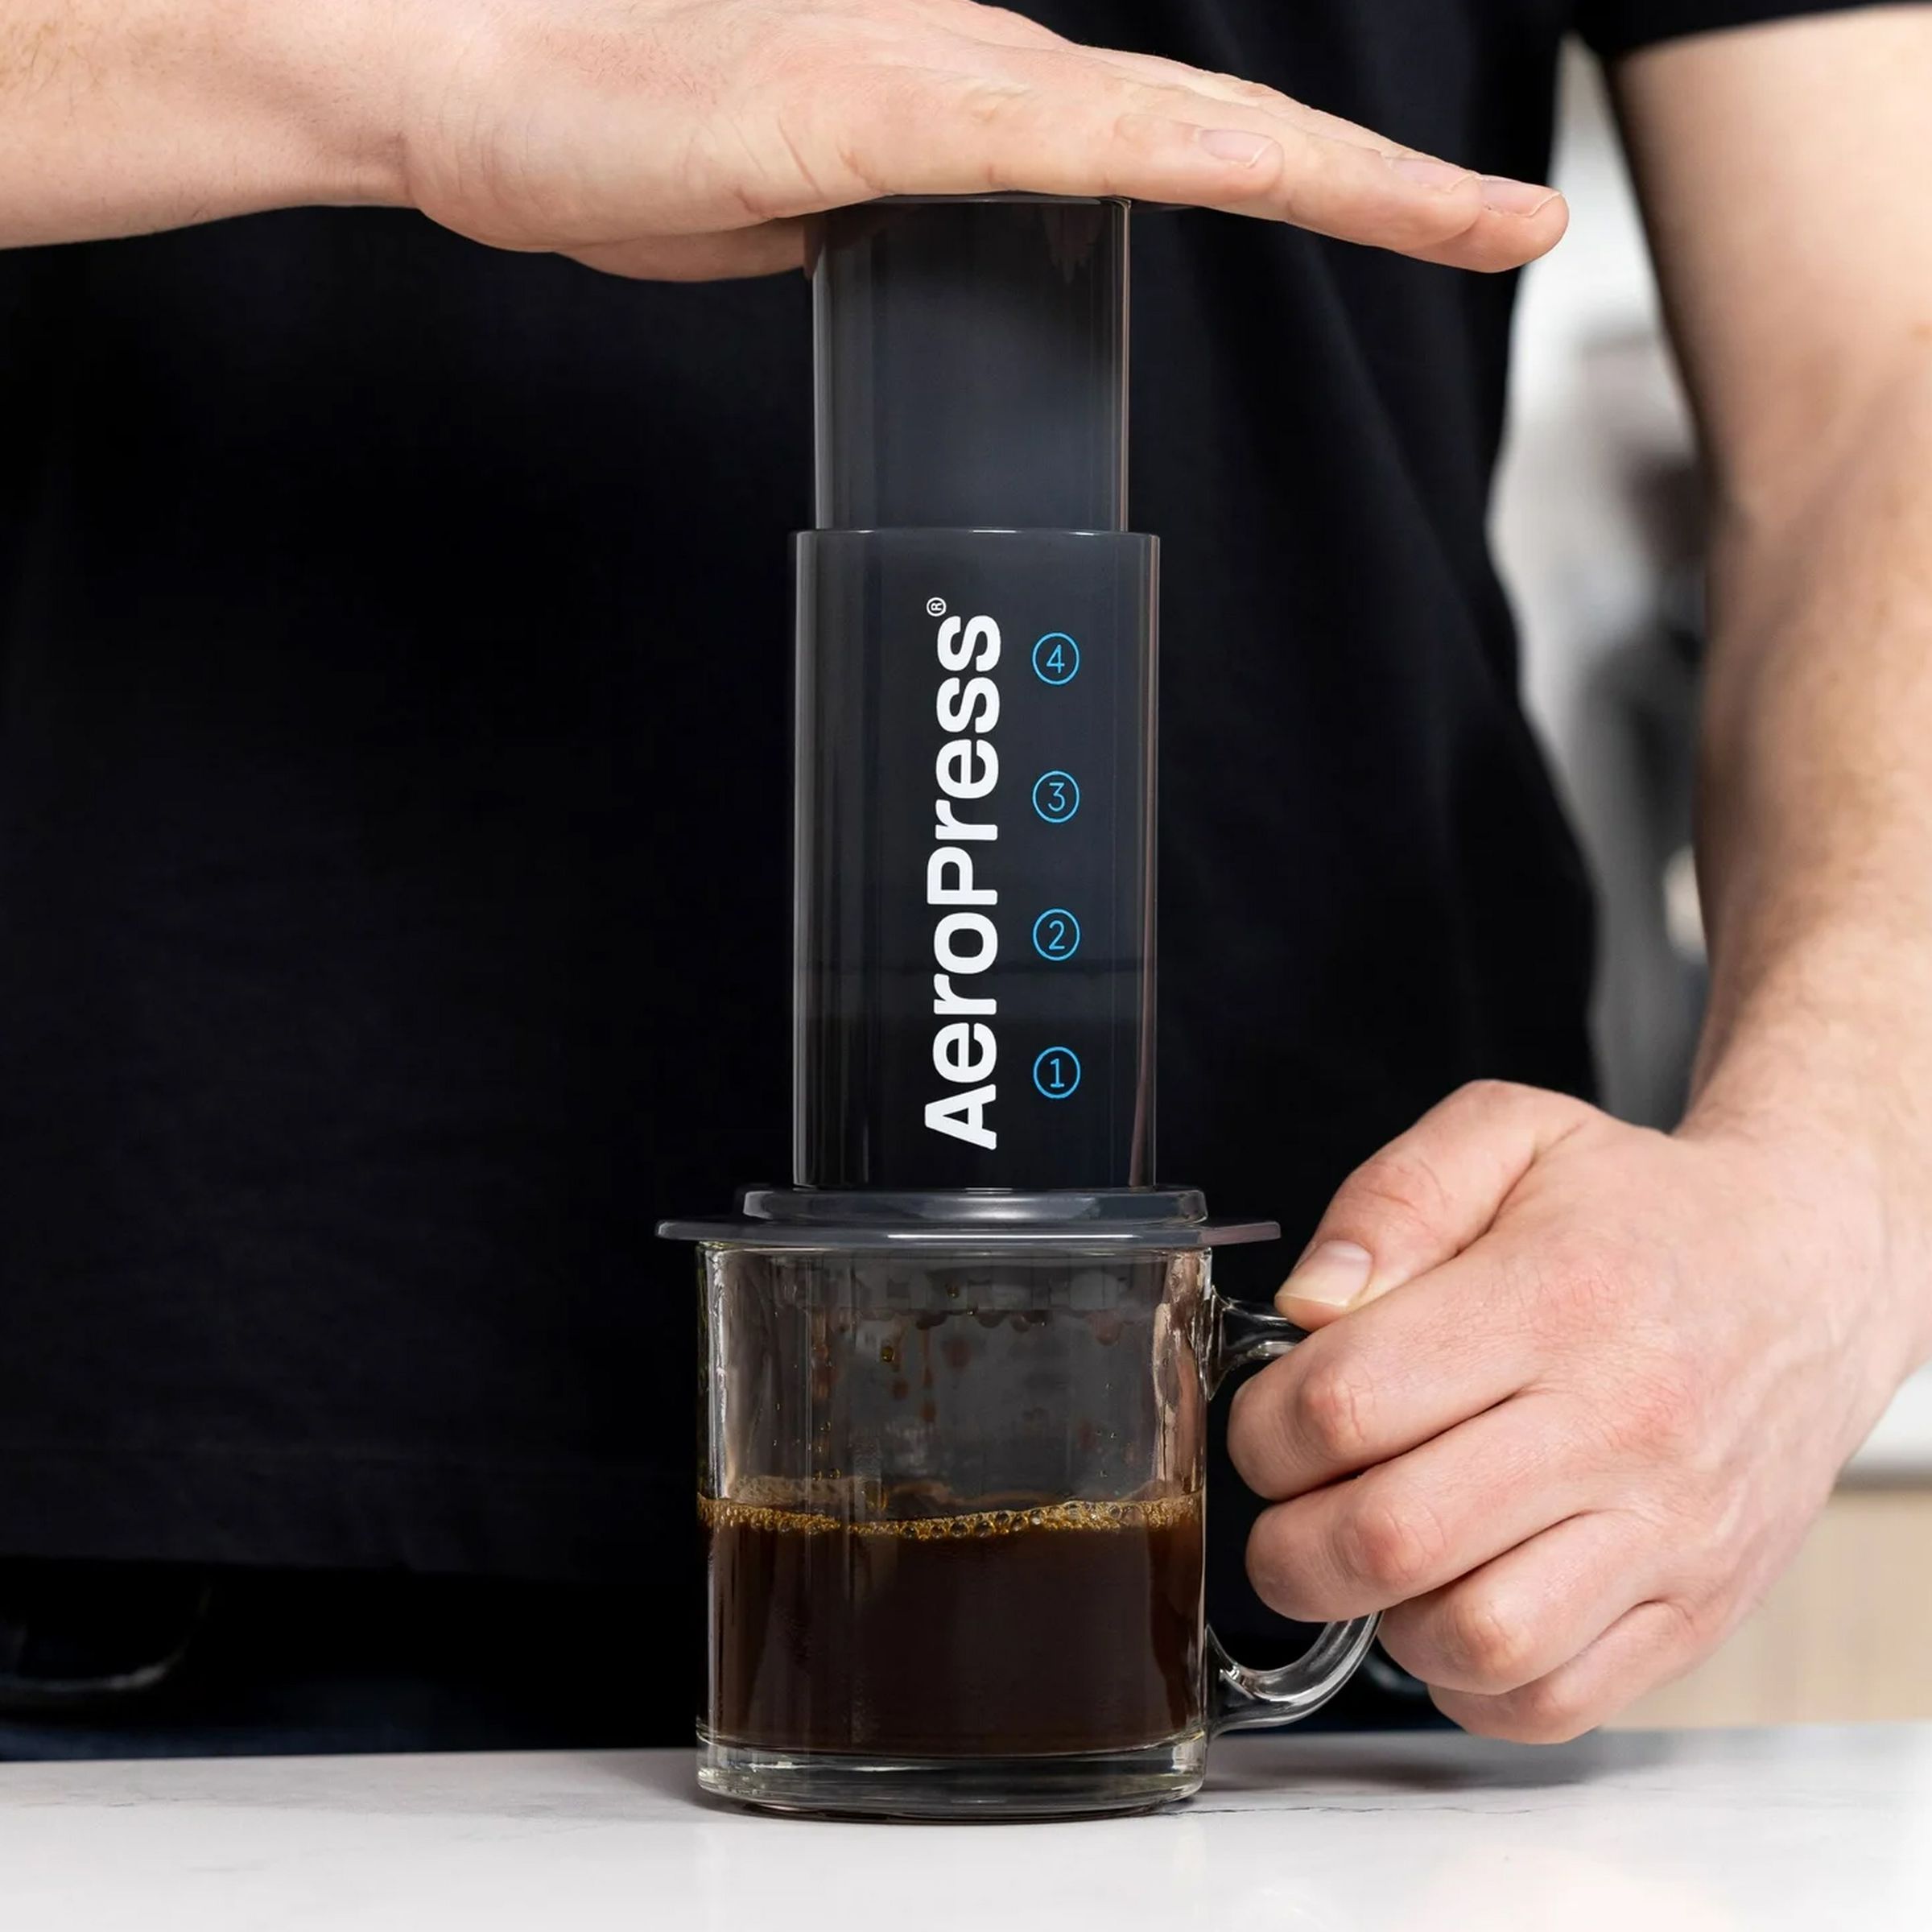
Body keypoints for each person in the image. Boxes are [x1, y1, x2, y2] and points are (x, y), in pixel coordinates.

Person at [0, 0, 1926, 1755]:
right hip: (134, 1482)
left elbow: (1879, 385)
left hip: (1297, 1517)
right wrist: (425, 74)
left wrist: (1828, 1202)